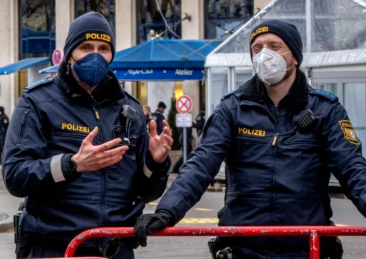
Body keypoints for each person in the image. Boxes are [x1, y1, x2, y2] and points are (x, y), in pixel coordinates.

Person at [135, 20, 366, 258]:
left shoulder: (325, 110)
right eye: (257, 48)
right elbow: (200, 165)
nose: (265, 54)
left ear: (295, 56)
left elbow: (353, 169)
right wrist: (167, 211)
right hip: (243, 248)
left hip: (305, 248)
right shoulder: (232, 108)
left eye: (274, 46)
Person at [3, 11, 173, 258]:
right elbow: (15, 175)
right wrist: (72, 164)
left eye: (103, 48)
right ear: (69, 53)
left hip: (116, 249)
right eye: (85, 47)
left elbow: (146, 193)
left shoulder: (130, 109)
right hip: (57, 248)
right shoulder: (37, 101)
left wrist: (154, 164)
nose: (95, 55)